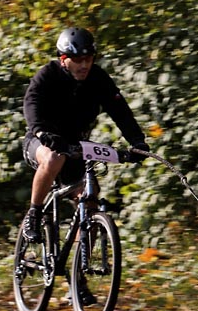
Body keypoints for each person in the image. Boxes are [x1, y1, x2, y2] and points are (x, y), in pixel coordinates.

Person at [21, 26, 150, 243]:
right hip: (41, 140)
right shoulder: (47, 75)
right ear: (63, 59)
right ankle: (33, 214)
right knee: (54, 157)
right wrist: (41, 131)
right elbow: (31, 104)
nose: (84, 65)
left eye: (88, 59)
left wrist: (137, 141)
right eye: (78, 60)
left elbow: (120, 111)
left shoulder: (98, 78)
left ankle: (80, 268)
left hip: (75, 145)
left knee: (89, 199)